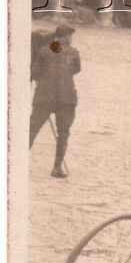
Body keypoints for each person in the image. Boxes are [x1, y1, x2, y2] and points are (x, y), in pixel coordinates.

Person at [29, 23, 81, 178]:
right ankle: (57, 168)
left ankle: (18, 160)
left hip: (45, 96)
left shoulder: (44, 51)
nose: (71, 39)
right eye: (69, 36)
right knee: (63, 133)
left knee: (32, 129)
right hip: (66, 98)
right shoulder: (73, 53)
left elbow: (35, 73)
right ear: (63, 37)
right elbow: (76, 69)